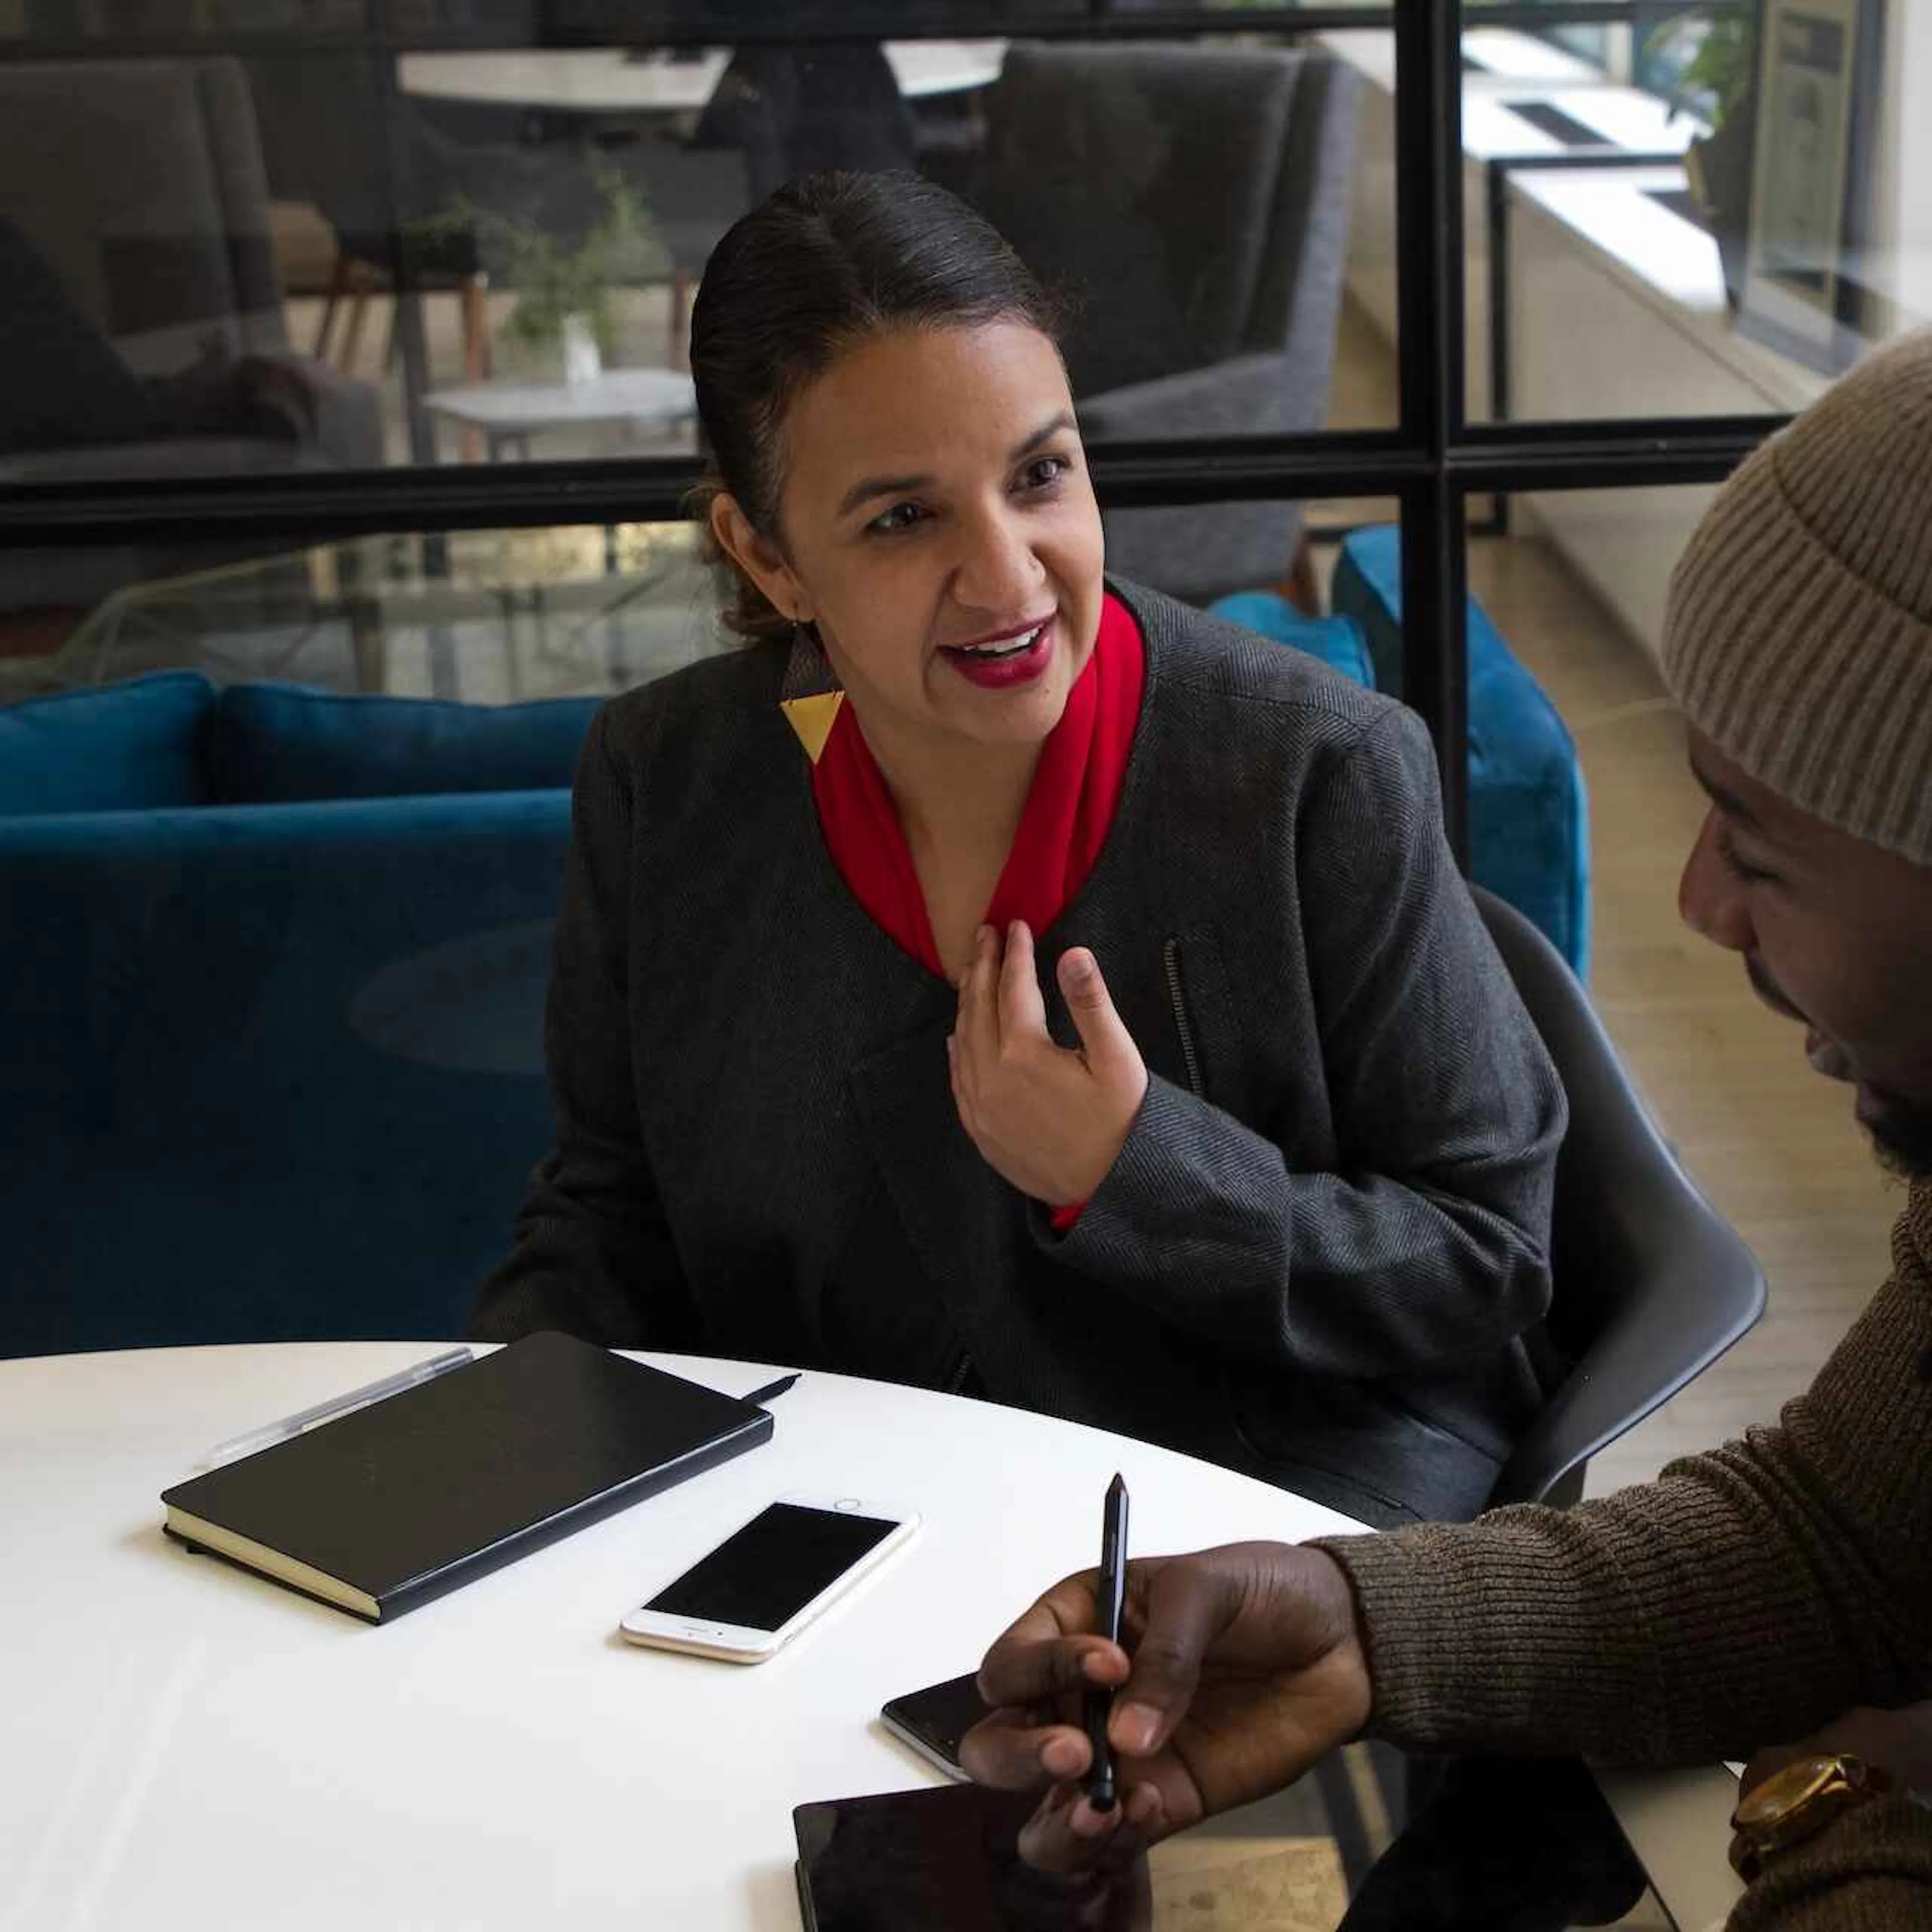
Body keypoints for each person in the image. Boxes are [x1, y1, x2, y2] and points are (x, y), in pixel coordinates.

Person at [961, 328, 1932, 1928]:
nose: (1694, 902)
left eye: (1757, 847)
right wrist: (1361, 1624)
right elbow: (1844, 1539)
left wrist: (1845, 1815)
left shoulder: (1300, 769)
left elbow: (1483, 1248)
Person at [473, 171, 1566, 1528]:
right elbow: (606, 1219)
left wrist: (1140, 1170)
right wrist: (490, 1450)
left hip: (1260, 1516)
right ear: (769, 559)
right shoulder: (664, 784)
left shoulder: (1317, 772)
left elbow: (1489, 1257)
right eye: (902, 517)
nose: (1009, 576)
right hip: (841, 1530)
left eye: (1040, 474)